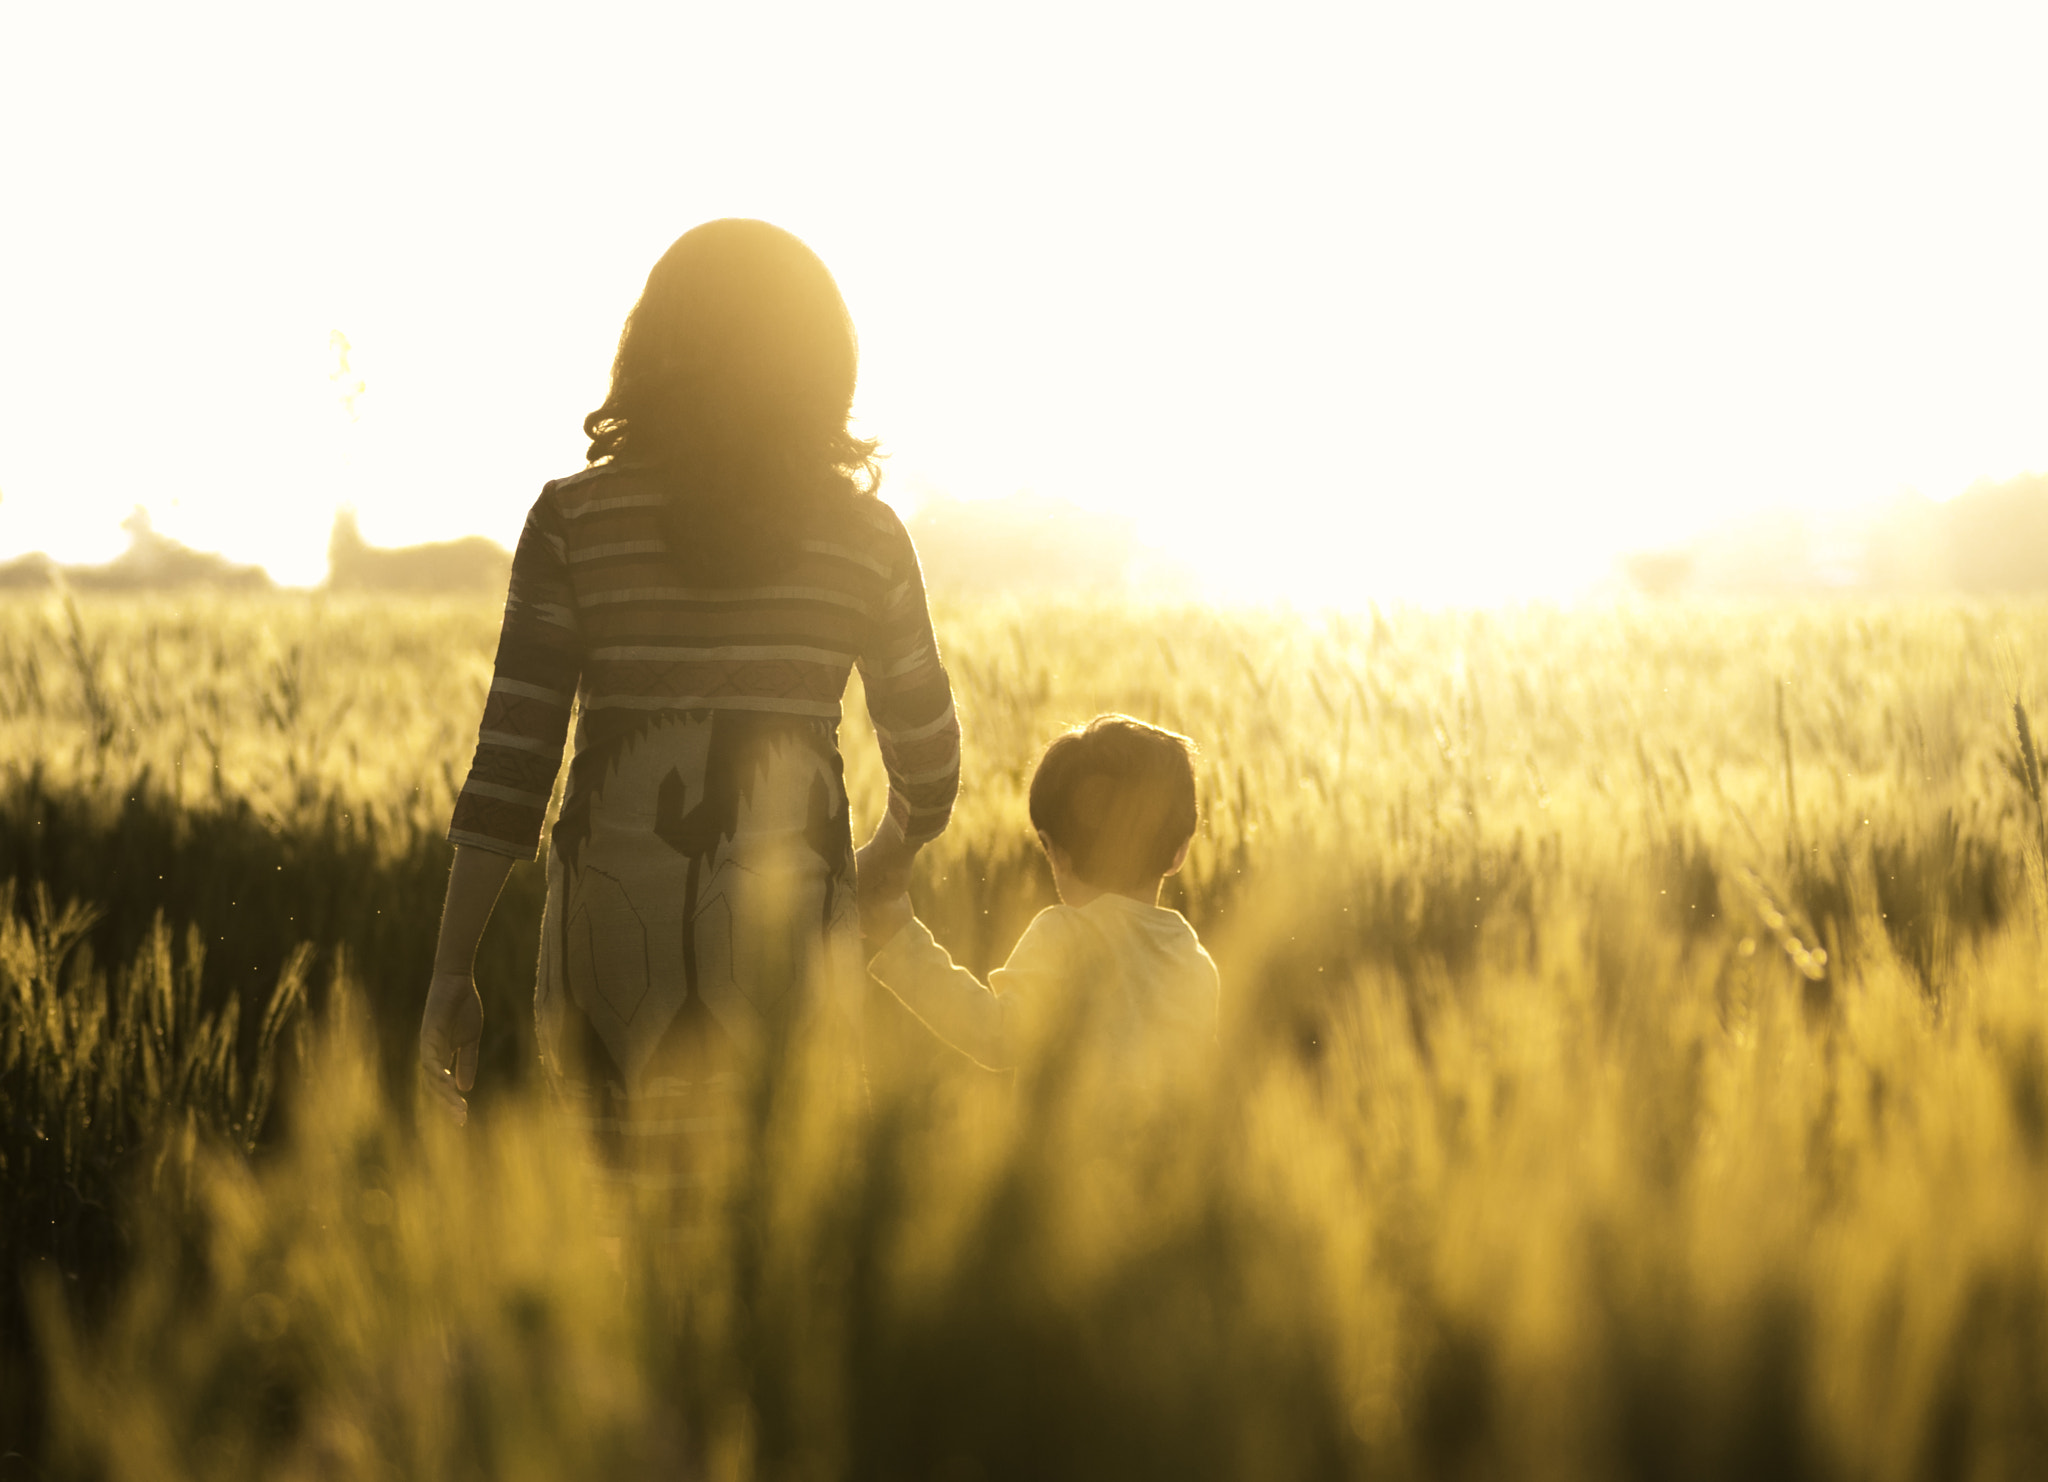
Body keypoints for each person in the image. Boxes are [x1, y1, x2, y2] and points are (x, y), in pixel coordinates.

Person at [418, 220, 960, 1133]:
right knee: (781, 1238)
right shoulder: (864, 538)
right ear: (825, 360)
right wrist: (885, 859)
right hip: (790, 946)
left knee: (625, 1235)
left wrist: (450, 968)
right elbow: (932, 765)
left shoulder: (573, 522)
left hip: (610, 944)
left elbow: (512, 766)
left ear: (652, 345)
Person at [863, 715, 1218, 1071]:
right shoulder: (1197, 964)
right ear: (1181, 852)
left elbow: (996, 1036)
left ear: (1054, 851)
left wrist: (900, 938)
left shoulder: (1065, 935)